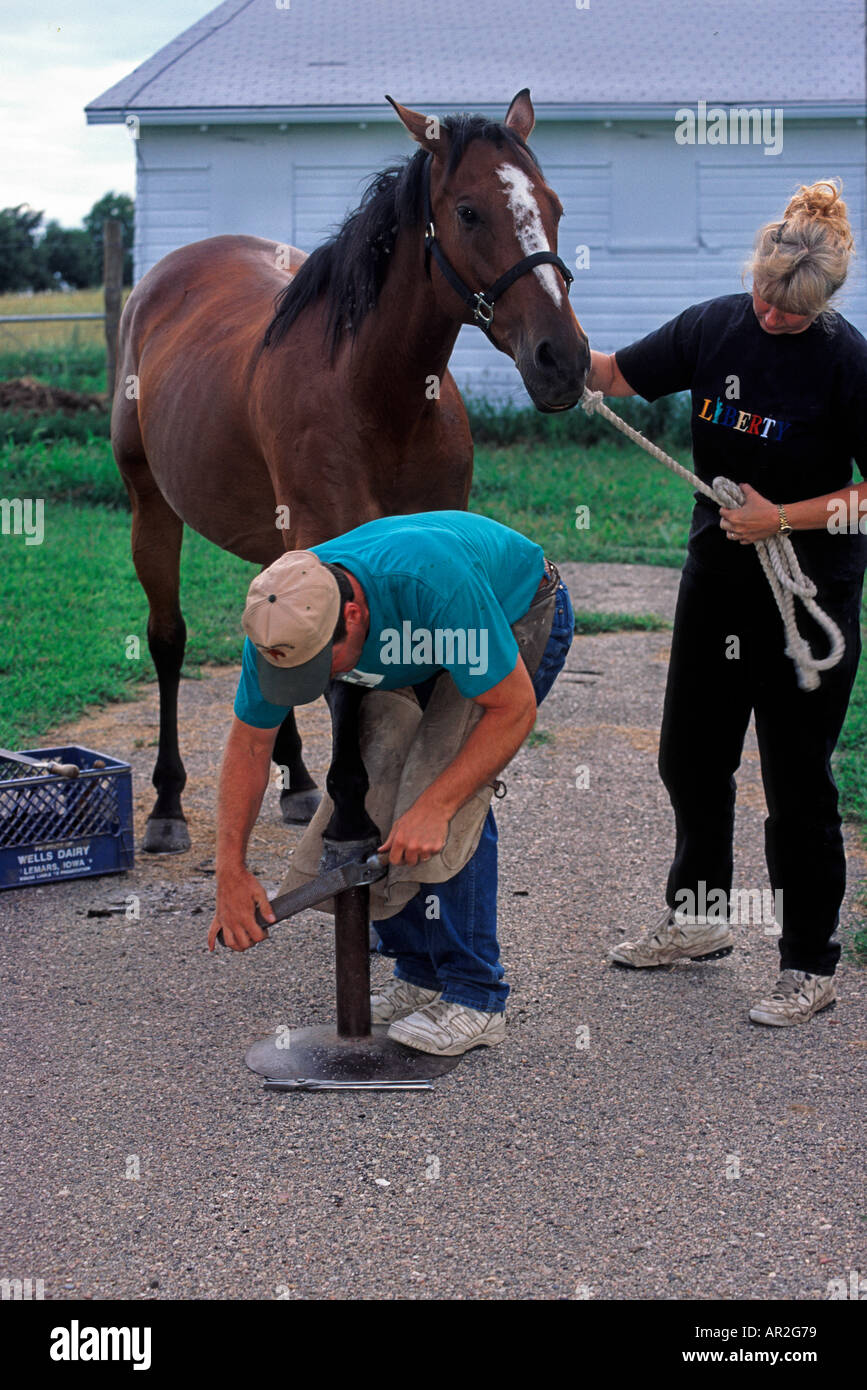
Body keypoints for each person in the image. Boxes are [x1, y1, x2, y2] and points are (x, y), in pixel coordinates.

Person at [586, 179, 867, 1026]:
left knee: (796, 784)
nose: (772, 318)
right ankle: (701, 923)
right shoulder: (714, 324)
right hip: (716, 579)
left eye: (790, 313)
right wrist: (551, 349)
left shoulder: (845, 361)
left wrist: (780, 516)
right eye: (764, 303)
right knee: (690, 759)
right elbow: (615, 374)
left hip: (804, 594)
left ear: (821, 304)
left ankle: (808, 965)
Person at [207, 510, 574, 1055]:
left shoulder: (431, 584)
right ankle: (420, 973)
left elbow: (512, 710)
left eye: (319, 666)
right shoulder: (279, 622)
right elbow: (251, 744)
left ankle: (475, 994)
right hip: (412, 642)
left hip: (510, 611)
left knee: (444, 787)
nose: (319, 682)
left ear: (352, 616)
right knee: (372, 789)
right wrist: (229, 869)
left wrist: (438, 803)